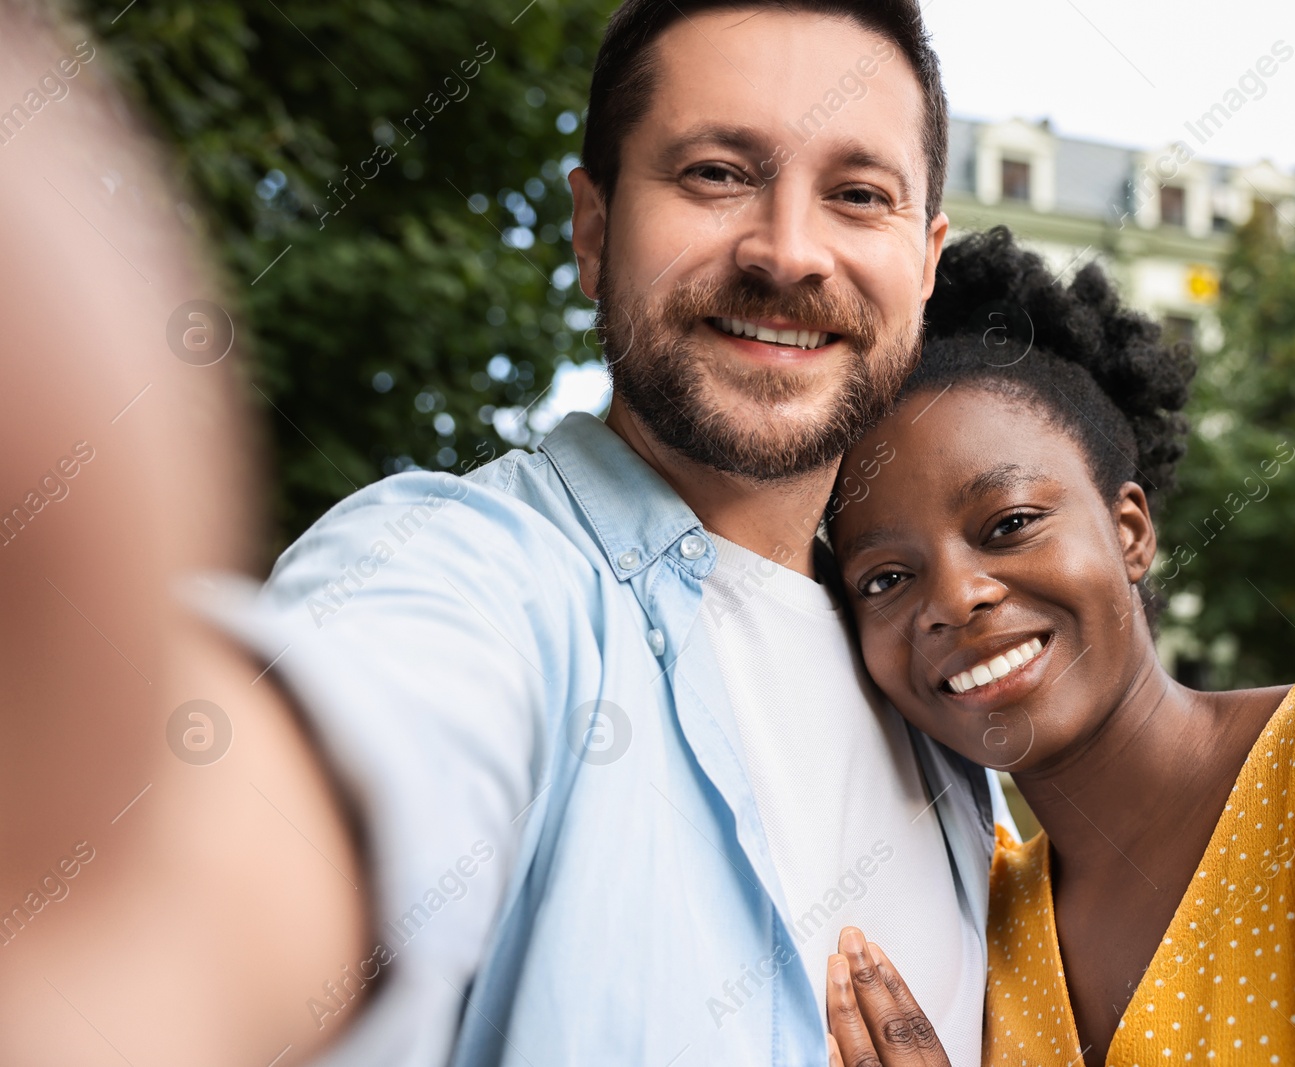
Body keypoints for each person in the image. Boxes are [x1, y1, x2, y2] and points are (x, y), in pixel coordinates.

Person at [3, 1, 1010, 1065]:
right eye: (716, 172)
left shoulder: (943, 711)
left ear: (926, 258)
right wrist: (103, 916)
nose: (788, 252)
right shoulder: (467, 575)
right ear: (591, 228)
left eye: (858, 195)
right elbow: (258, 844)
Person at [822, 228, 1295, 1067]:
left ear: (1129, 531)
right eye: (884, 579)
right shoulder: (968, 923)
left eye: (1009, 524)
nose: (955, 595)